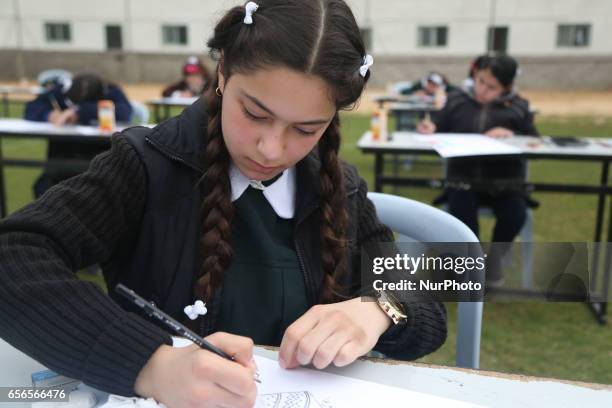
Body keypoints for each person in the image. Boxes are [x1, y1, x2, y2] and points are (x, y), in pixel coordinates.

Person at [0, 1, 447, 407]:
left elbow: (441, 288)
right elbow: (12, 257)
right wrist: (150, 364)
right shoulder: (146, 165)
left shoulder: (342, 188)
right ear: (223, 73)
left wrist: (380, 309)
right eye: (254, 114)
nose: (271, 149)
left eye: (306, 129)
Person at [417, 54, 539, 284]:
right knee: (462, 214)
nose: (482, 89)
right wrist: (429, 127)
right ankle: (470, 264)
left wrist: (513, 135)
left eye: (492, 87)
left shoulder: (518, 106)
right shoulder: (457, 100)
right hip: (463, 180)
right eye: (480, 81)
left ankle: (494, 261)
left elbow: (534, 140)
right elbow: (436, 124)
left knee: (515, 214)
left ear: (507, 87)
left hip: (506, 183)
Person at [24, 73, 133, 197]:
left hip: (99, 164)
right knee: (42, 187)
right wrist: (49, 115)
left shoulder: (111, 91)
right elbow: (31, 107)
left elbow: (125, 112)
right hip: (61, 160)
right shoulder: (62, 90)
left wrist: (80, 112)